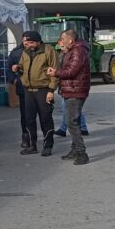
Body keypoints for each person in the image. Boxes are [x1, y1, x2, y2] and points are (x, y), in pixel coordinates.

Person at [48, 29, 90, 164]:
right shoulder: (72, 50)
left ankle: (82, 153)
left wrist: (56, 73)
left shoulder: (78, 51)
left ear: (70, 40)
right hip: (72, 89)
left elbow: (71, 71)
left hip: (75, 90)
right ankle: (75, 150)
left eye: (62, 39)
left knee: (71, 122)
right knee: (73, 121)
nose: (61, 41)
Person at [16, 30, 59, 156]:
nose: (28, 45)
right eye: (27, 43)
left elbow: (55, 71)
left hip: (43, 90)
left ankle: (48, 146)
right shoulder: (25, 52)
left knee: (45, 119)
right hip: (28, 90)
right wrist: (18, 68)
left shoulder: (49, 51)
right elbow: (22, 67)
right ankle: (32, 145)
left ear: (38, 42)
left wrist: (51, 91)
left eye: (31, 43)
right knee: (29, 119)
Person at [8, 33, 30, 148]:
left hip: (38, 88)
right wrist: (14, 81)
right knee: (25, 115)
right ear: (22, 40)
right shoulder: (15, 52)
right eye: (25, 40)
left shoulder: (39, 50)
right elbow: (8, 69)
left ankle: (45, 140)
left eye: (29, 40)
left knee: (42, 115)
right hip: (23, 88)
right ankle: (26, 137)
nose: (27, 42)